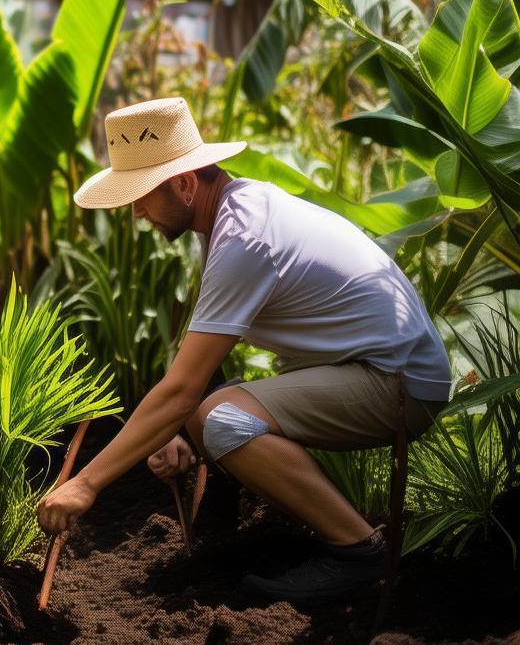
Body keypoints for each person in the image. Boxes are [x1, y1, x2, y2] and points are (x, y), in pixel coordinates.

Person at [38, 97, 451, 603]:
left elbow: (183, 388)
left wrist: (85, 484)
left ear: (185, 183)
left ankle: (357, 550)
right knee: (205, 416)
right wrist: (177, 428)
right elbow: (201, 364)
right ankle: (232, 543)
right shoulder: (238, 211)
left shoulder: (245, 239)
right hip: (368, 373)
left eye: (143, 195)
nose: (136, 210)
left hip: (397, 384)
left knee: (219, 418)